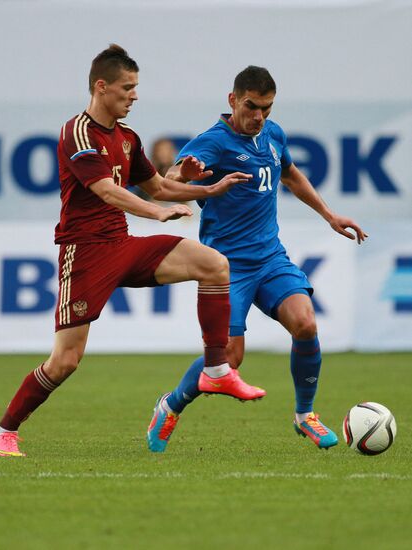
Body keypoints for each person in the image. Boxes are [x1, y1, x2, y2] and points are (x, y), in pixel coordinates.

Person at [0, 46, 266, 458]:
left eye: (136, 88)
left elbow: (160, 186)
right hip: (85, 254)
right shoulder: (77, 132)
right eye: (127, 88)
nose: (134, 96)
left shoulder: (128, 138)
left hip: (123, 244)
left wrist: (209, 188)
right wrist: (156, 212)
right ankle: (3, 430)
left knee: (213, 264)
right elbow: (106, 190)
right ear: (102, 87)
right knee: (64, 361)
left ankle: (216, 369)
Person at [147, 65, 368, 452]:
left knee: (305, 323)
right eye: (251, 106)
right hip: (226, 267)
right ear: (233, 100)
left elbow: (291, 175)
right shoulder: (213, 143)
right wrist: (185, 174)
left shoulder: (273, 133)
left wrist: (330, 215)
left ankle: (305, 416)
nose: (258, 116)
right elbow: (169, 178)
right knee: (229, 359)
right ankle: (170, 405)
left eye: (266, 108)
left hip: (270, 258)